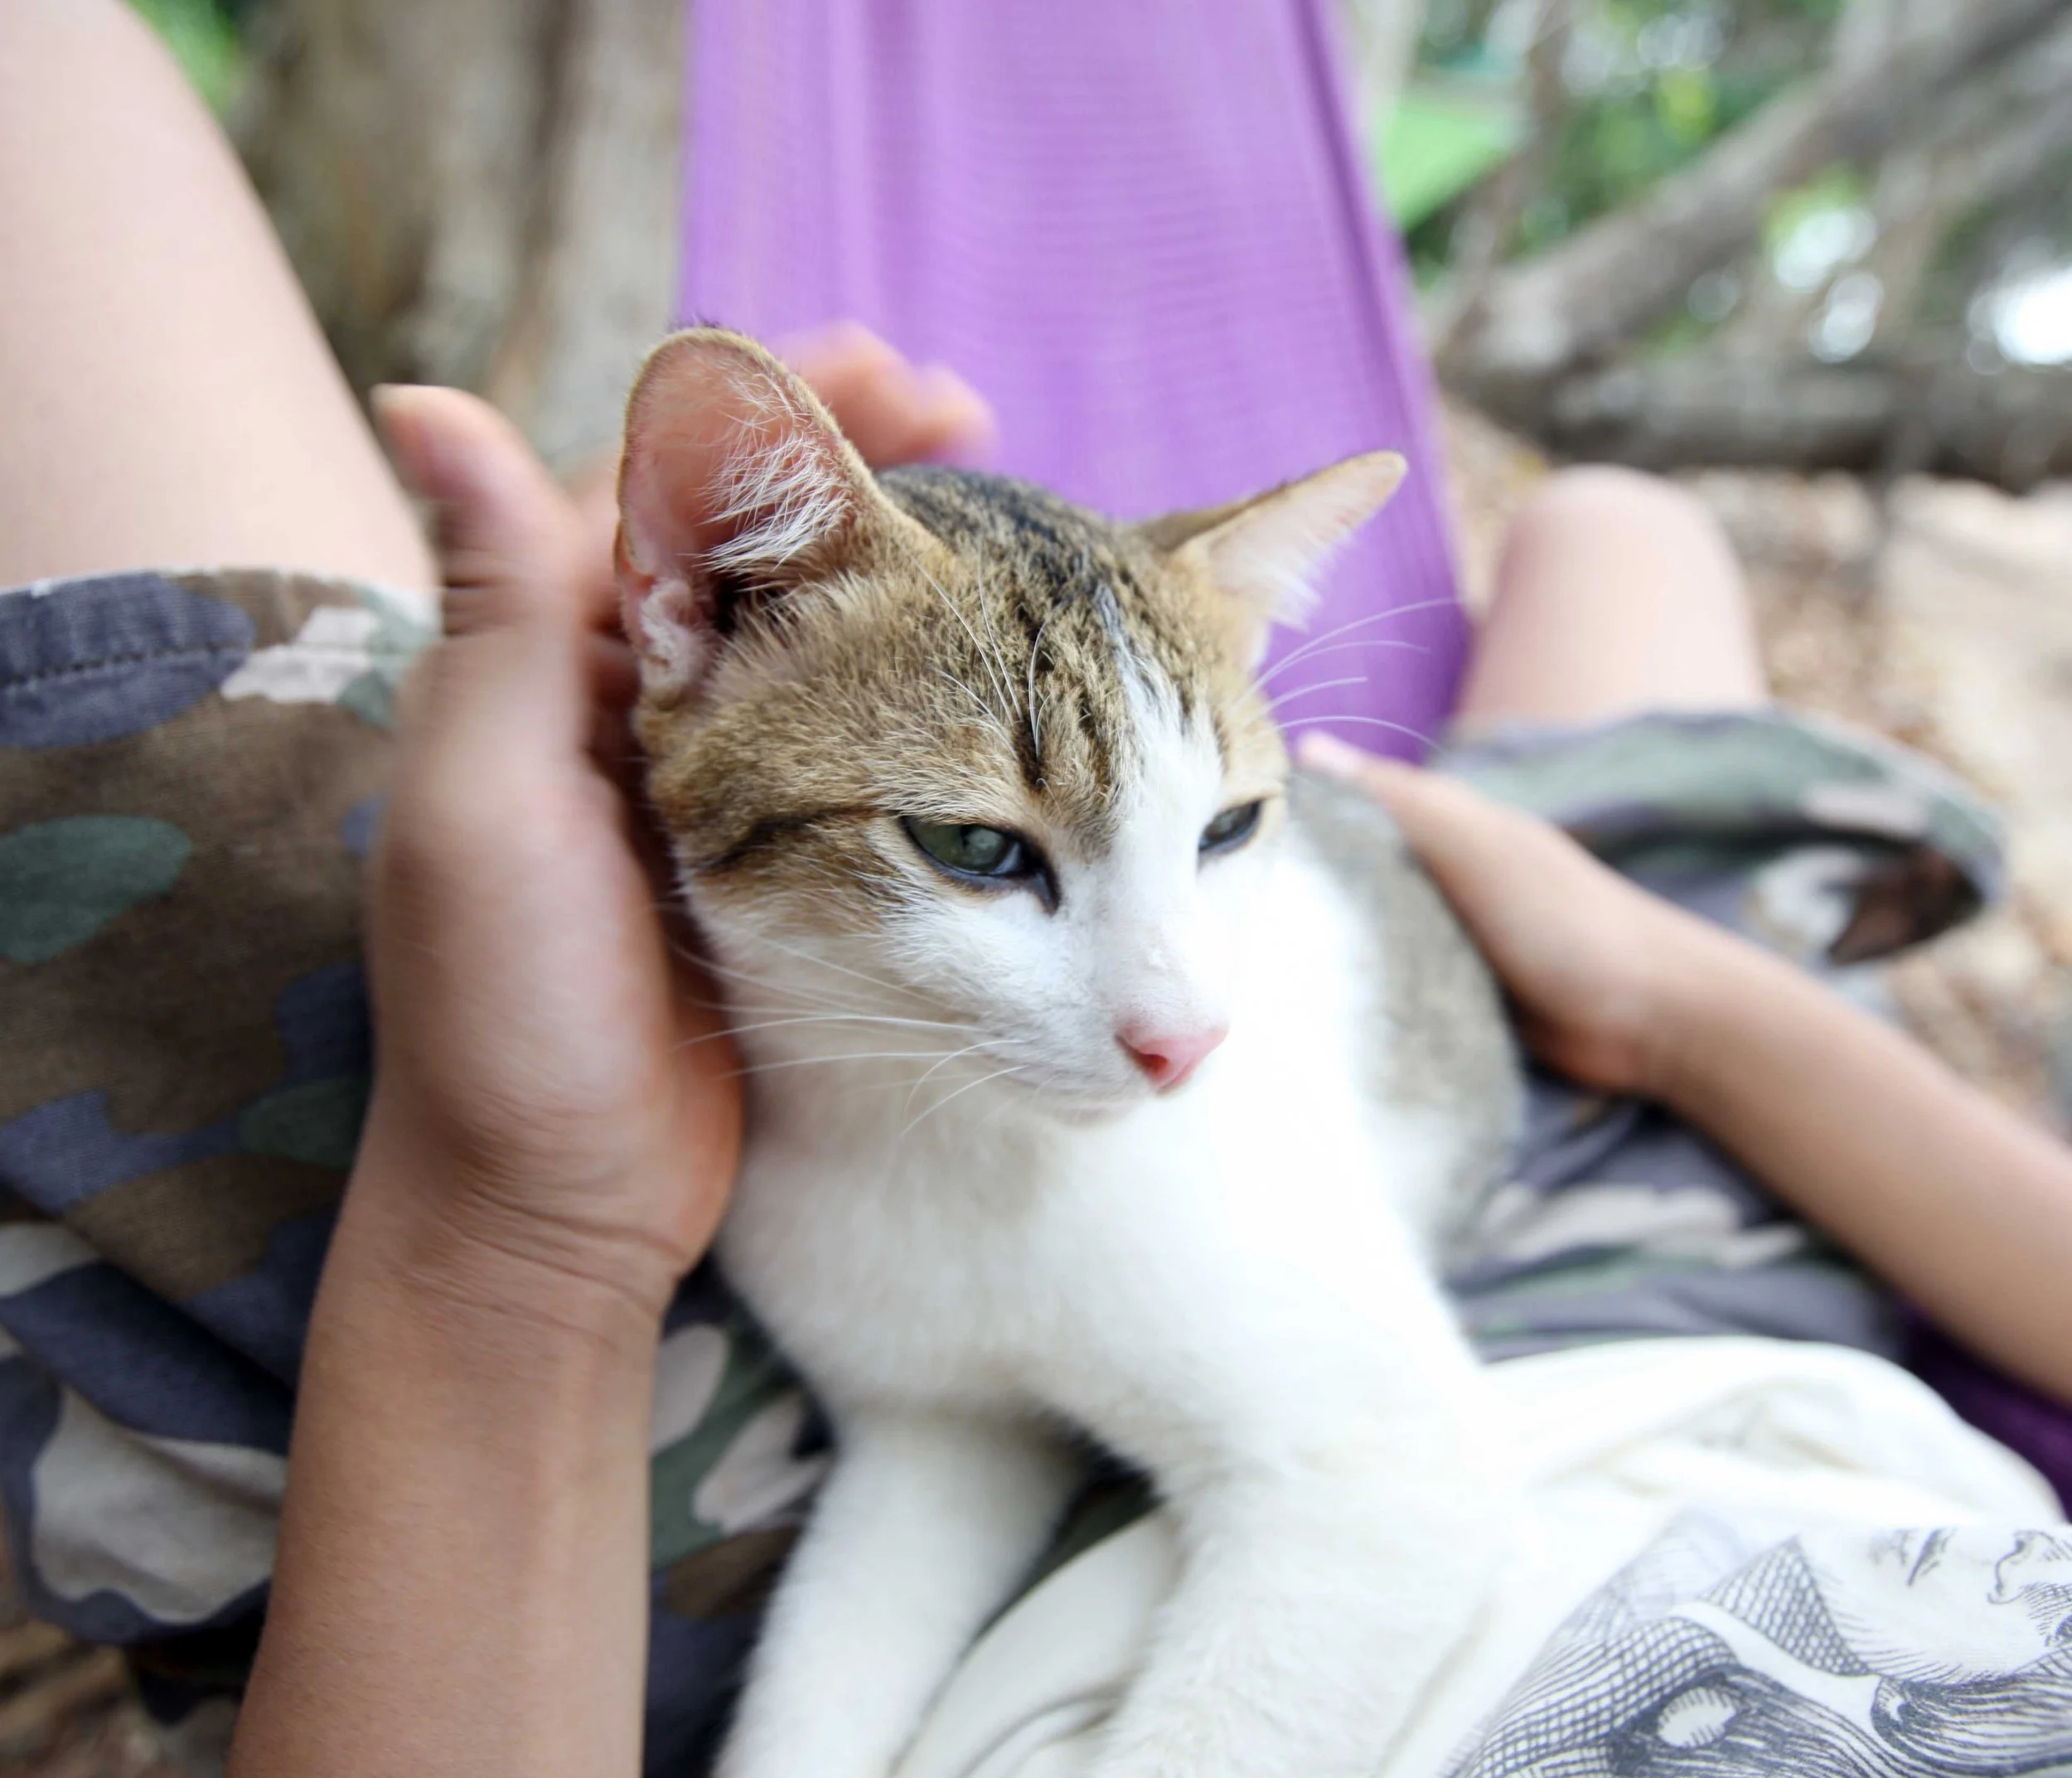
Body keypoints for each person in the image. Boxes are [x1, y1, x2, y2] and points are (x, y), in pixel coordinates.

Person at [4, 5, 2071, 1777]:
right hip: (1690, 1136)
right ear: (708, 626)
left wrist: (519, 1217)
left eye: (1208, 843)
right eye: (984, 851)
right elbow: (988, 1425)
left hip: (1574, 1174)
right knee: (1626, 540)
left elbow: (1166, 1459)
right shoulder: (914, 1089)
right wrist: (1660, 992)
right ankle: (1474, 843)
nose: (1183, 1024)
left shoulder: (1107, 1038)